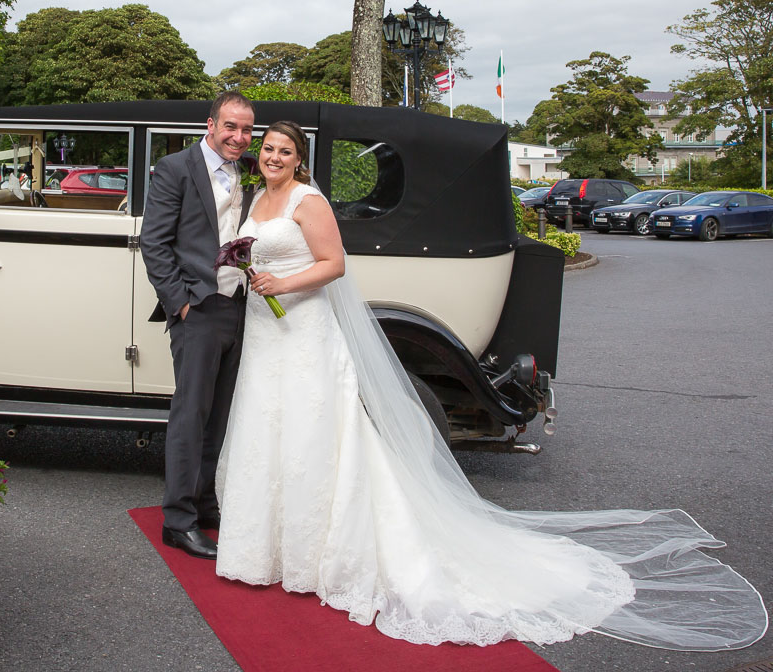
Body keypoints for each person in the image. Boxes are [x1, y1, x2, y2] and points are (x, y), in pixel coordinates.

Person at [214, 120, 767, 650]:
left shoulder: (310, 202)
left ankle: (320, 553)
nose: (273, 157)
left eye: (284, 151)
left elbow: (334, 264)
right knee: (268, 427)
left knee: (314, 432)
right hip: (267, 330)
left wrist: (282, 282)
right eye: (268, 149)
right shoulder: (256, 200)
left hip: (304, 328)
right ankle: (269, 549)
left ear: (299, 159)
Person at [140, 92, 256, 560]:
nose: (239, 137)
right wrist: (182, 305)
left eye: (247, 130)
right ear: (210, 124)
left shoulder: (246, 170)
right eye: (231, 127)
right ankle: (178, 520)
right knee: (190, 415)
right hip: (198, 309)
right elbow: (155, 243)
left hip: (239, 307)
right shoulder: (175, 168)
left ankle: (205, 503)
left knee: (221, 413)